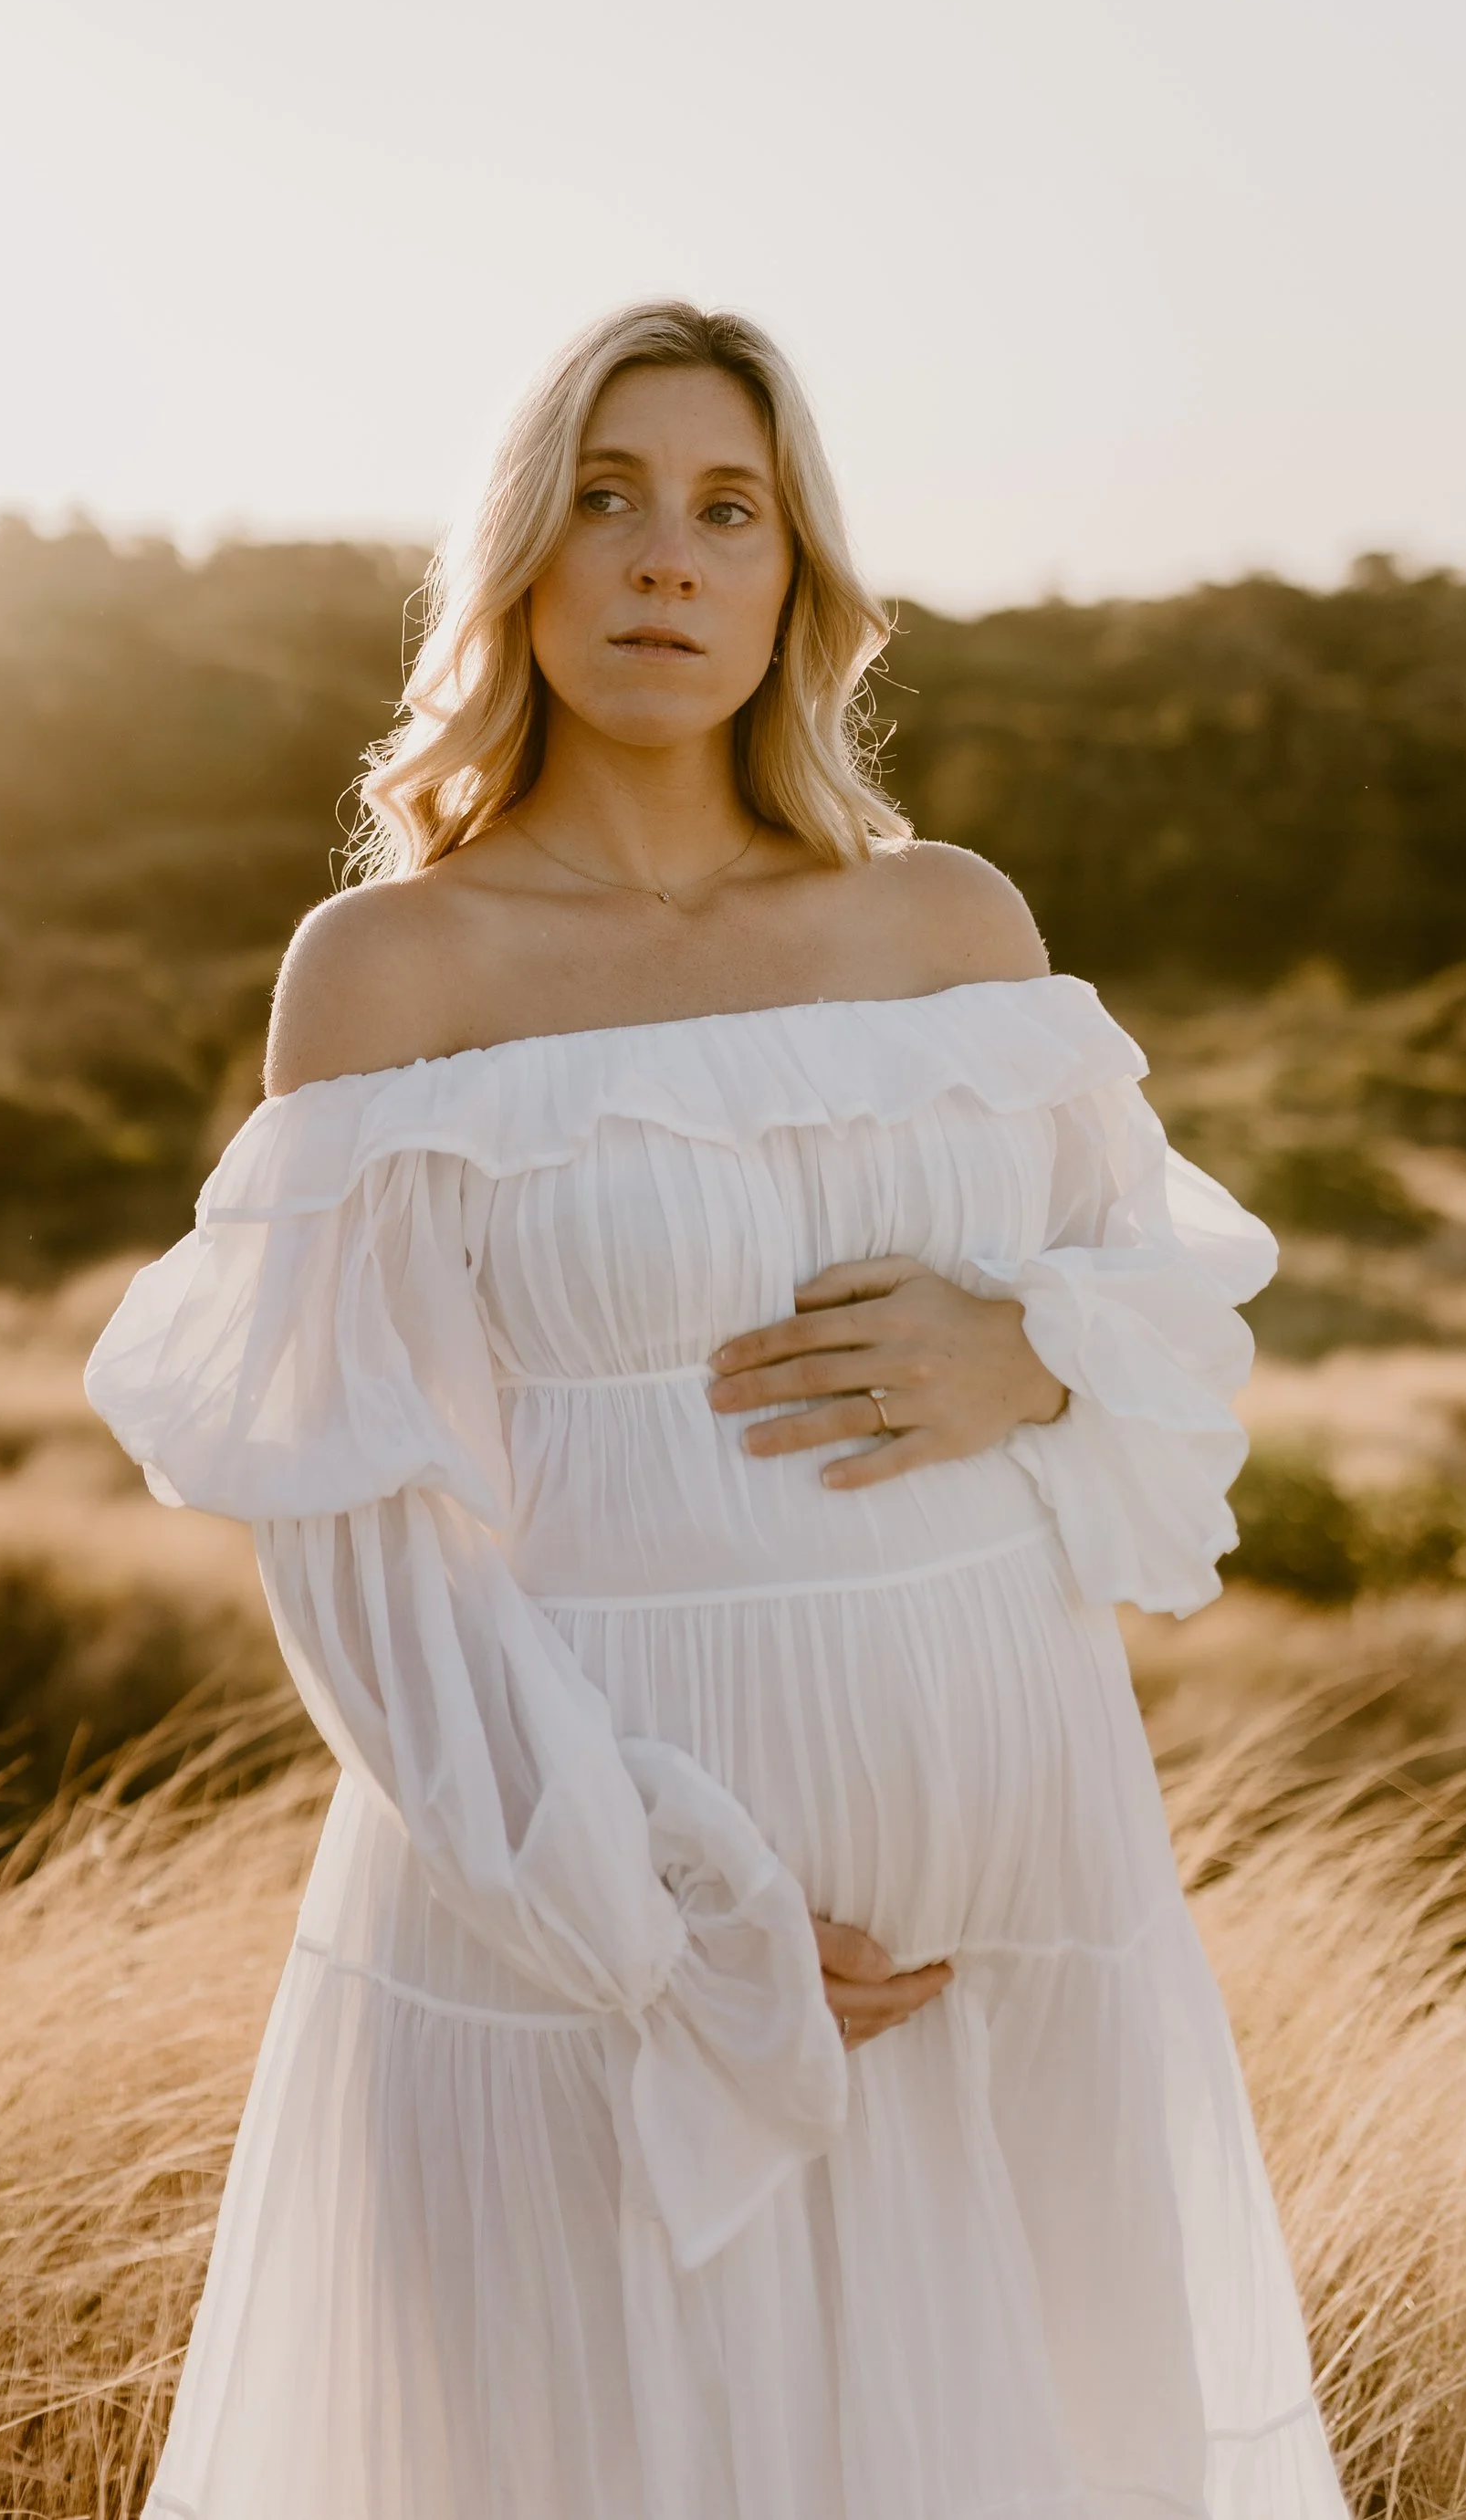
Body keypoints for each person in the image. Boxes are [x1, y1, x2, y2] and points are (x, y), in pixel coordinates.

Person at [85, 300, 1347, 2520]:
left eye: (725, 509)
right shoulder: (392, 978)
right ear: (520, 566)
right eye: (605, 497)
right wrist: (674, 1928)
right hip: (587, 1958)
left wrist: (1030, 1343)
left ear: (794, 585)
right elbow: (362, 1559)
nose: (665, 556)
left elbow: (1166, 1312)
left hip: (1000, 1937)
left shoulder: (948, 929)